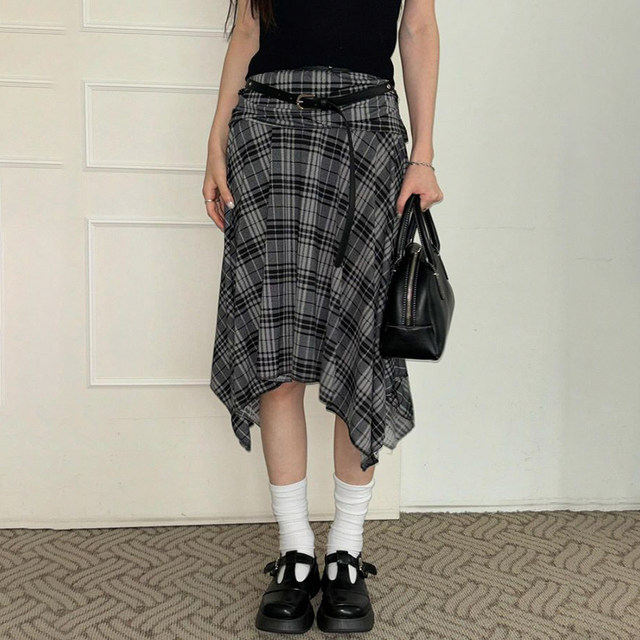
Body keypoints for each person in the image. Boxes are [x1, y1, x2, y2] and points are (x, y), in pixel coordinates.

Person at [203, 0, 442, 633]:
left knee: (361, 348)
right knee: (274, 345)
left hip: (368, 129)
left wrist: (423, 154)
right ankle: (295, 554)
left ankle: (345, 553)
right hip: (267, 127)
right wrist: (215, 141)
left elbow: (418, 25)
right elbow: (248, 27)